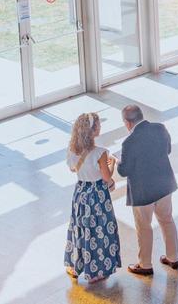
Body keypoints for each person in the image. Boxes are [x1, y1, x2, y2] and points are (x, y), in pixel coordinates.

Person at [117, 104, 178, 276]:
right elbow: (168, 150)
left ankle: (145, 264)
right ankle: (173, 258)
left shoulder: (129, 142)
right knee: (167, 220)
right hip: (164, 185)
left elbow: (124, 171)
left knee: (144, 227)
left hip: (143, 192)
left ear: (127, 123)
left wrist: (117, 161)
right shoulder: (160, 128)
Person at [64, 112, 121, 284]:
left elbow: (73, 169)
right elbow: (106, 177)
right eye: (98, 125)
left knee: (80, 227)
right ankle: (97, 271)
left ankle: (77, 264)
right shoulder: (100, 153)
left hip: (81, 192)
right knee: (99, 230)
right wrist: (112, 165)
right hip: (97, 195)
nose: (100, 127)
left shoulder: (72, 150)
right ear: (93, 130)